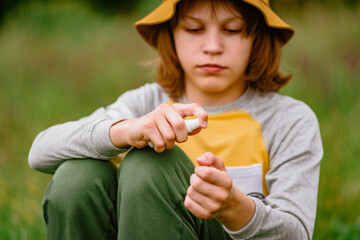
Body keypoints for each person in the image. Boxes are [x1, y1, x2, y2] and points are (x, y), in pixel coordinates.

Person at [28, 0, 323, 239]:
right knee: (76, 179)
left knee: (151, 163)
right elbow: (40, 152)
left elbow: (295, 233)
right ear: (171, 35)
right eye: (194, 29)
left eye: (233, 30)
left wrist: (233, 206)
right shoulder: (146, 103)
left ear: (257, 37)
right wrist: (127, 130)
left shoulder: (289, 120)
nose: (213, 46)